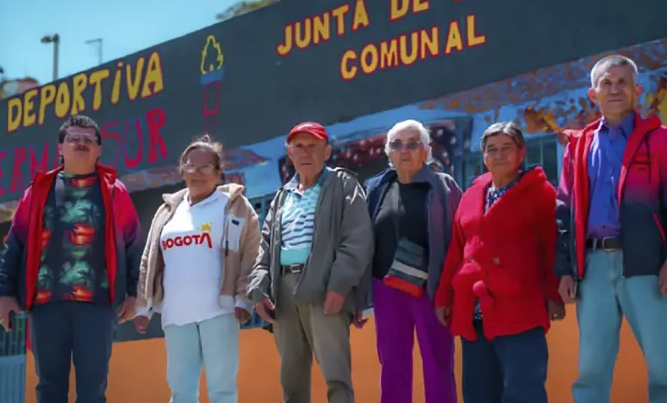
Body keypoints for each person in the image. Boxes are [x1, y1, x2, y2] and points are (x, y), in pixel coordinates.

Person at [555, 55, 667, 403]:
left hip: (647, 267)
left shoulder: (660, 140)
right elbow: (563, 211)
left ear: (636, 91)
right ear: (593, 93)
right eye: (607, 83)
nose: (614, 89)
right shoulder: (579, 146)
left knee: (664, 368)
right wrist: (565, 270)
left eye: (622, 83)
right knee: (591, 371)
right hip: (593, 268)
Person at [0, 115, 143, 403]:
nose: (81, 144)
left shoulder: (115, 191)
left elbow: (134, 244)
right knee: (49, 387)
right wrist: (4, 293)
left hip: (97, 305)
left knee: (93, 388)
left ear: (99, 149)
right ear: (60, 147)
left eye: (89, 140)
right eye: (74, 138)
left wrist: (135, 294)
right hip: (46, 304)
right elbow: (15, 243)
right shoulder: (36, 192)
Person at [434, 121, 563, 403]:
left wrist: (554, 294)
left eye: (506, 148)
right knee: (479, 394)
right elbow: (456, 252)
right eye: (491, 149)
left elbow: (553, 247)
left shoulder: (539, 193)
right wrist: (444, 296)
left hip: (521, 311)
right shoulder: (470, 196)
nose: (499, 155)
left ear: (521, 153)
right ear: (483, 156)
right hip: (474, 314)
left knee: (524, 392)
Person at [247, 121, 374, 403]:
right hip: (282, 290)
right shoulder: (282, 197)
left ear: (327, 151)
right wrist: (259, 288)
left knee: (336, 377)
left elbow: (356, 240)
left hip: (324, 286)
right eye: (299, 147)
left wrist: (339, 285)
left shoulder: (342, 184)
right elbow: (264, 248)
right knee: (292, 380)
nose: (305, 152)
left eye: (312, 146)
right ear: (289, 153)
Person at [133, 135, 260, 403]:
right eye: (191, 166)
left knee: (222, 390)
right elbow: (150, 259)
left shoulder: (234, 206)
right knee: (181, 392)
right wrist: (143, 306)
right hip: (175, 314)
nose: (197, 173)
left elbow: (251, 252)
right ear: (182, 170)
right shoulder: (167, 211)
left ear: (218, 172)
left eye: (205, 167)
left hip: (220, 312)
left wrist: (243, 298)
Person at [364, 119, 462, 403]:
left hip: (431, 289)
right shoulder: (376, 189)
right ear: (388, 152)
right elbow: (363, 240)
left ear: (425, 150)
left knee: (438, 363)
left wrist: (451, 288)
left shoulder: (444, 186)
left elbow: (460, 237)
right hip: (386, 289)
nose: (404, 150)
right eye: (396, 145)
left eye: (412, 144)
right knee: (392, 366)